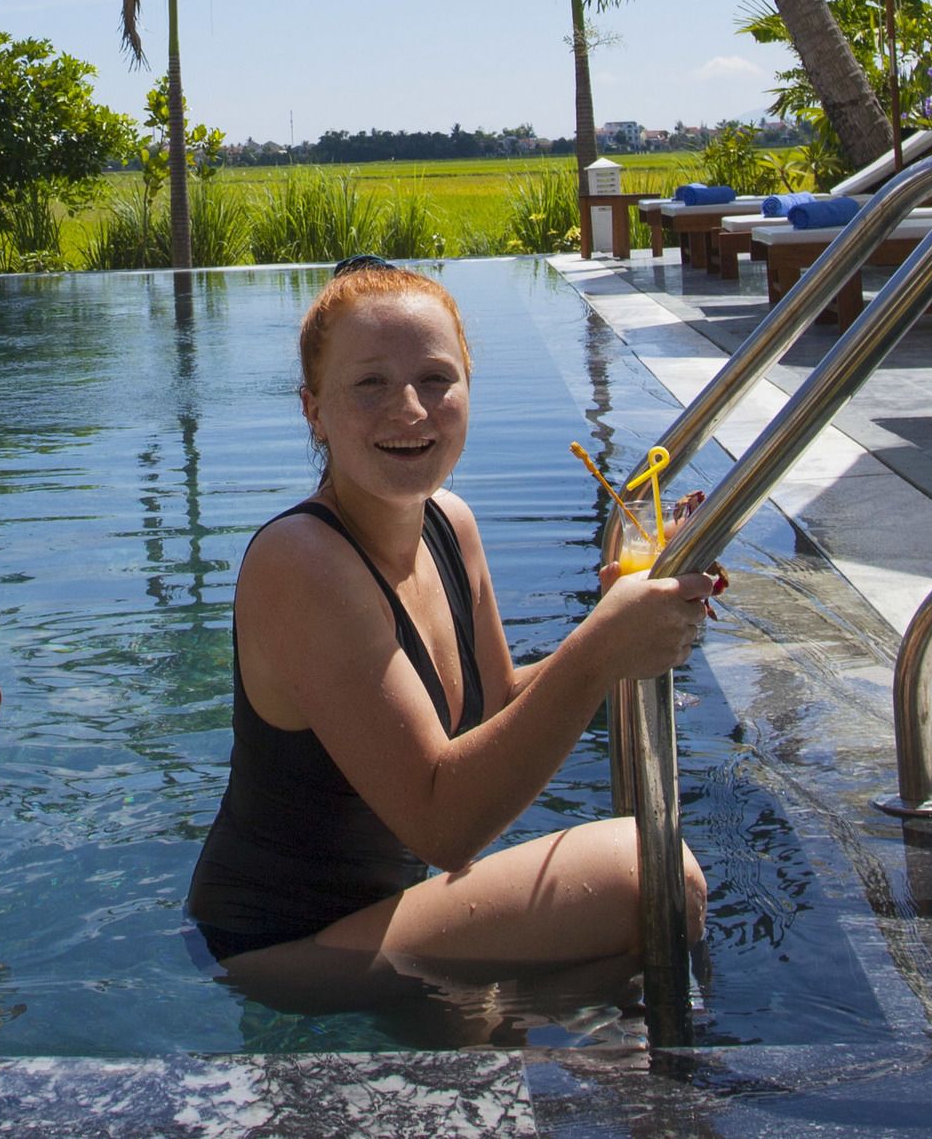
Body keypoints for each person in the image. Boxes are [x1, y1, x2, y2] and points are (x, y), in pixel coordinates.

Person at [186, 259, 718, 994]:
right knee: (651, 876)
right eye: (370, 383)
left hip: (388, 918)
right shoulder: (302, 562)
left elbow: (500, 708)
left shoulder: (450, 523)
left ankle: (508, 1028)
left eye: (436, 379)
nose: (410, 409)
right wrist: (600, 649)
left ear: (469, 388)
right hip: (277, 950)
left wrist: (624, 626)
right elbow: (443, 825)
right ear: (314, 410)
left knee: (622, 959)